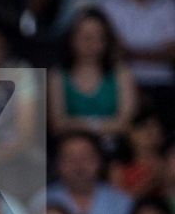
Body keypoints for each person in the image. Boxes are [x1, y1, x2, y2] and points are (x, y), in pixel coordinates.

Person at [97, 0, 175, 97]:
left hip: (164, 86)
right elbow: (106, 51)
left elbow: (173, 52)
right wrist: (158, 52)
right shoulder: (106, 5)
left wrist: (129, 53)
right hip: (117, 87)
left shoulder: (171, 5)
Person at [50, 9, 140, 142]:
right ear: (72, 38)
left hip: (115, 146)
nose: (92, 45)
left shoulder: (121, 73)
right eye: (86, 38)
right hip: (71, 147)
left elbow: (126, 123)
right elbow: (58, 124)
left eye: (100, 38)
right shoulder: (57, 75)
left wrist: (78, 124)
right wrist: (103, 125)